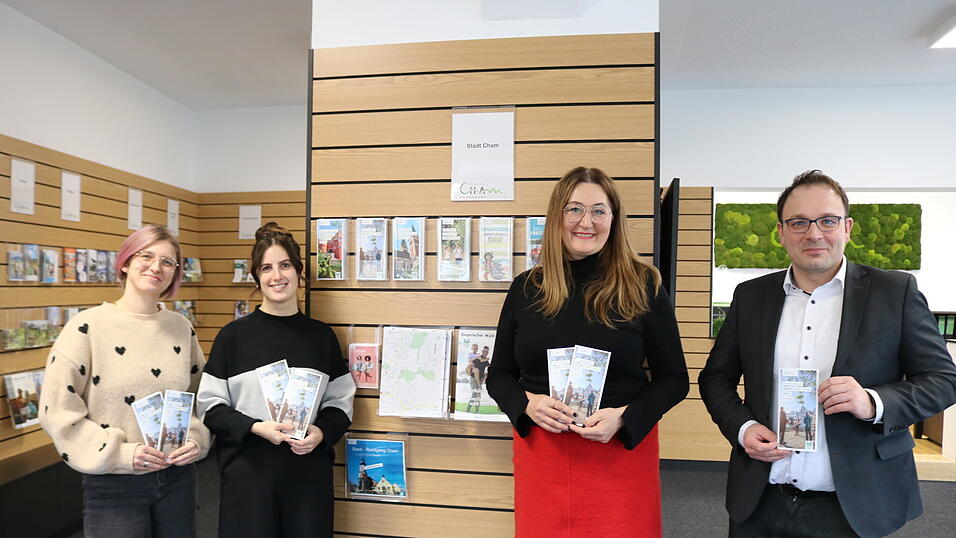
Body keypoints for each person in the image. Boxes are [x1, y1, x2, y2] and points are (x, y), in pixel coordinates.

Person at [699, 170, 956, 537]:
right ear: (781, 232)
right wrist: (742, 428)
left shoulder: (894, 291)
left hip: (854, 503)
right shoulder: (751, 296)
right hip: (760, 500)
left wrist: (873, 401)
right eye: (799, 222)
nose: (814, 233)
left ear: (847, 227)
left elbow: (944, 381)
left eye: (827, 220)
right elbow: (716, 378)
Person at [486, 166, 689, 536]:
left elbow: (674, 380)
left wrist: (625, 418)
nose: (587, 221)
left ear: (613, 219)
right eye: (574, 209)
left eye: (599, 210)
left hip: (618, 455)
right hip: (542, 456)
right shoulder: (527, 287)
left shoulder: (643, 284)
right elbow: (498, 374)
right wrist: (526, 404)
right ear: (557, 217)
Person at [39, 224, 210, 537]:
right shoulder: (87, 327)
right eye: (147, 255)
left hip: (179, 479)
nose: (156, 266)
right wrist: (120, 453)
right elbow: (55, 409)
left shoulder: (181, 328)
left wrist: (197, 439)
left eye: (168, 261)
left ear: (175, 273)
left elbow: (201, 396)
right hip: (114, 483)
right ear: (127, 262)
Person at [197, 222, 355, 538]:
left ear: (298, 271)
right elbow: (210, 408)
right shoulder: (233, 337)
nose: (276, 276)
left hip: (307, 478)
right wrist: (256, 427)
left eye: (284, 265)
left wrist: (321, 432)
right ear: (256, 276)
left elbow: (341, 406)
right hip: (248, 477)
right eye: (266, 268)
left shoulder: (321, 337)